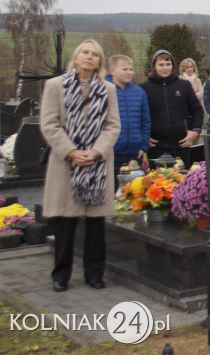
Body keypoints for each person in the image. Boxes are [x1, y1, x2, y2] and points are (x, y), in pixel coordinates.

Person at [40, 38, 120, 292]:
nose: (89, 57)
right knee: (65, 222)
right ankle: (61, 275)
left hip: (97, 165)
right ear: (75, 58)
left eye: (94, 54)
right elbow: (49, 124)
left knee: (95, 224)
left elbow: (112, 125)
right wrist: (72, 152)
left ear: (99, 62)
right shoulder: (55, 86)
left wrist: (96, 152)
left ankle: (94, 273)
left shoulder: (107, 89)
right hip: (66, 163)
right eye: (85, 52)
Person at [141, 49, 203, 164]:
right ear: (154, 66)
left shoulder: (184, 85)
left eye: (168, 64)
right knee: (158, 175)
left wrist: (195, 131)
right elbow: (139, 115)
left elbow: (197, 110)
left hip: (181, 143)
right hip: (155, 145)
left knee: (182, 175)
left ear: (173, 65)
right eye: (161, 64)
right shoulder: (144, 88)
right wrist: (144, 136)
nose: (165, 68)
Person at [105, 55, 150, 169]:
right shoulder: (104, 91)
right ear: (112, 71)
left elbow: (145, 121)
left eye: (131, 69)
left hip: (134, 152)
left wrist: (143, 146)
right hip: (111, 151)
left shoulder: (139, 92)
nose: (129, 72)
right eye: (124, 69)